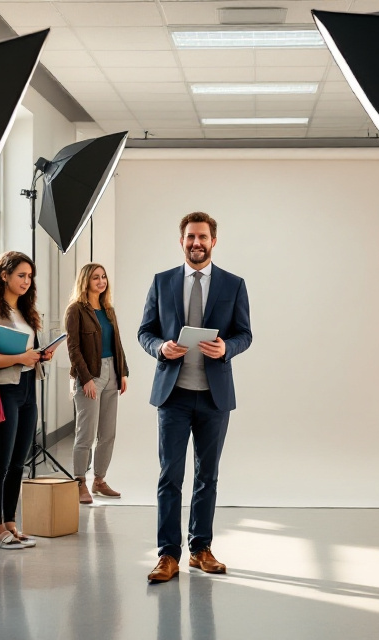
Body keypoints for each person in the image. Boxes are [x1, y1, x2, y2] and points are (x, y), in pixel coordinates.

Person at [138, 211, 253, 584]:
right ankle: (167, 555)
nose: (196, 243)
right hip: (173, 396)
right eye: (190, 237)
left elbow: (245, 334)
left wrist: (226, 348)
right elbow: (145, 331)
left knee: (207, 476)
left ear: (213, 241)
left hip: (214, 399)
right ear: (181, 241)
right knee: (170, 476)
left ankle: (200, 549)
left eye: (202, 237)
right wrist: (160, 347)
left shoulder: (233, 284)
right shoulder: (163, 282)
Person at [0, 251, 59, 550]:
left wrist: (40, 356)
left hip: (27, 389)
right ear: (4, 275)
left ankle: (10, 523)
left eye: (30, 276)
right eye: (21, 275)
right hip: (3, 391)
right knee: (0, 461)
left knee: (19, 462)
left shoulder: (25, 310)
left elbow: (27, 354)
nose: (26, 281)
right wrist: (20, 357)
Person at [64, 263, 130, 504]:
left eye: (103, 277)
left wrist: (123, 372)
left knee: (108, 433)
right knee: (86, 434)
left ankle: (99, 481)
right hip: (90, 375)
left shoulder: (108, 309)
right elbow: (73, 348)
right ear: (85, 281)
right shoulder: (75, 310)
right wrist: (86, 379)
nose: (101, 281)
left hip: (112, 372)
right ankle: (80, 481)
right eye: (95, 278)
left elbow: (117, 343)